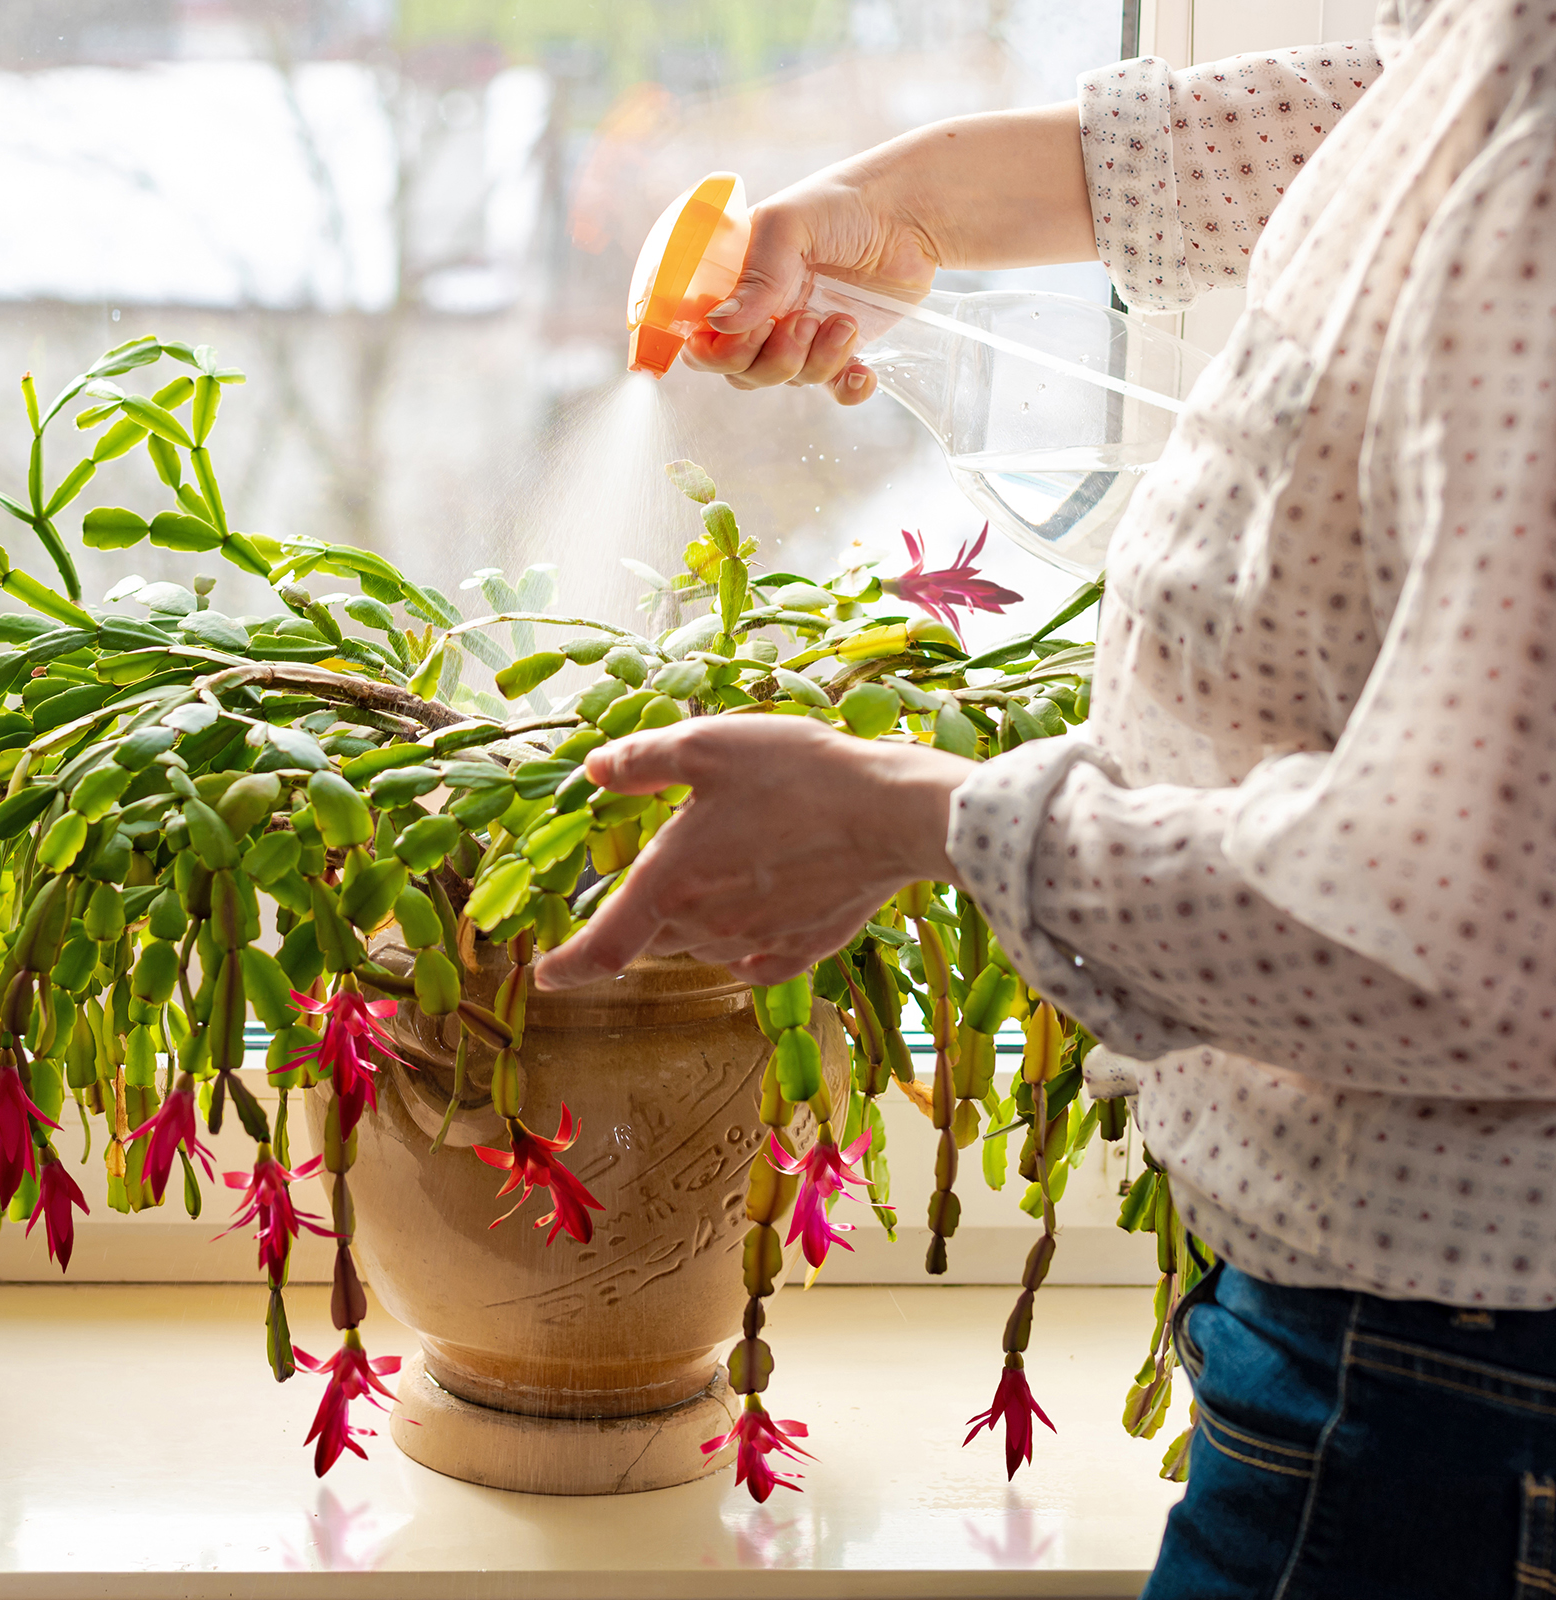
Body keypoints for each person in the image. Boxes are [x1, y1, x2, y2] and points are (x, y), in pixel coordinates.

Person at [534, 3, 1556, 1595]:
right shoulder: (1498, 72)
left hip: (1450, 1397)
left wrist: (919, 815)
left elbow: (1468, 931)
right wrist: (918, 204)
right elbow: (1400, 107)